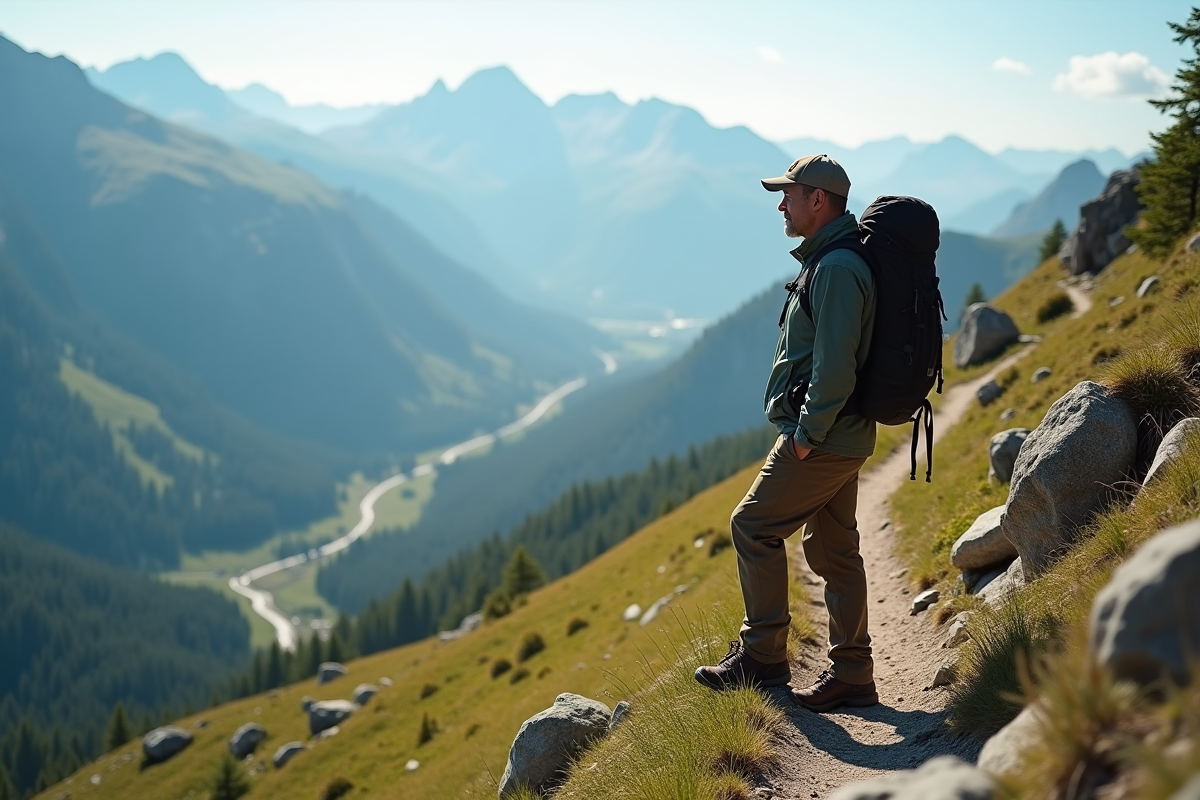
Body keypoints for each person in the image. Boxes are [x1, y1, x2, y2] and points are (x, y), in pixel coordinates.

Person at [694, 154, 879, 713]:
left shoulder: (838, 269)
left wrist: (805, 435)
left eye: (790, 195)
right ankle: (853, 673)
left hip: (822, 437)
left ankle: (764, 657)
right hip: (839, 435)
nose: (782, 204)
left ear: (817, 200)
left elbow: (836, 366)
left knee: (751, 525)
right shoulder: (830, 261)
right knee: (834, 548)